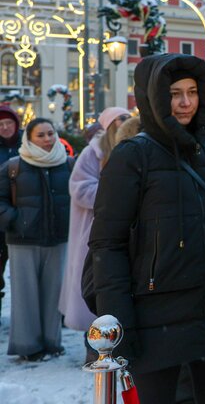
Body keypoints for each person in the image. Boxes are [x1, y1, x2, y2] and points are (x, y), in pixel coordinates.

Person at [88, 53, 205, 403]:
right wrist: (119, 324)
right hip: (155, 320)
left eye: (192, 91)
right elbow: (107, 244)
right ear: (155, 97)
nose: (186, 102)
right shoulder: (133, 156)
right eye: (174, 93)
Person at [0, 117, 72, 360]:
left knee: (54, 293)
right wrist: (14, 219)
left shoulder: (68, 164)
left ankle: (52, 343)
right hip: (23, 239)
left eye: (50, 133)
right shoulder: (14, 166)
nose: (47, 139)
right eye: (40, 135)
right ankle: (28, 346)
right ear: (29, 138)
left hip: (58, 238)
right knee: (25, 295)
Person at [59, 107, 130, 347]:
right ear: (109, 124)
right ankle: (94, 345)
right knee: (93, 283)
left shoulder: (132, 148)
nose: (124, 122)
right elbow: (78, 188)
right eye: (120, 118)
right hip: (93, 229)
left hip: (123, 229)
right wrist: (112, 193)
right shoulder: (93, 153)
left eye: (127, 118)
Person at [0, 106, 22, 322]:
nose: (5, 127)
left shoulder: (27, 145)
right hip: (2, 220)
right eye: (1, 124)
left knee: (23, 274)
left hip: (23, 221)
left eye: (9, 123)